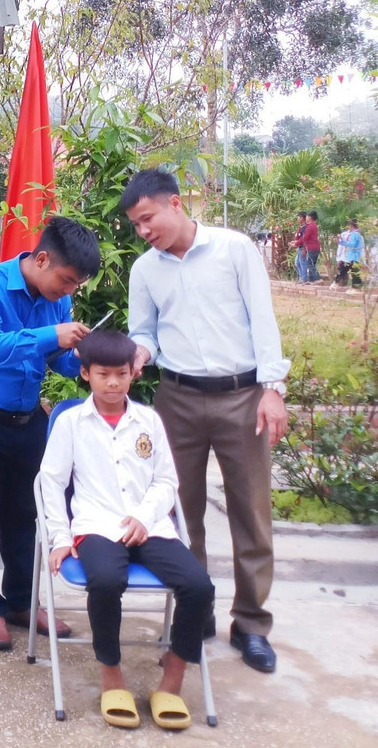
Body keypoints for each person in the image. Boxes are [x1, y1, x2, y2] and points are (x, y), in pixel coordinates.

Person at [123, 168, 289, 674]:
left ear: (175, 203)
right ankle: (197, 610)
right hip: (178, 398)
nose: (143, 230)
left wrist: (272, 390)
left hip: (243, 397)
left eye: (147, 218)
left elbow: (263, 319)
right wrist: (137, 355)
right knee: (178, 511)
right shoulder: (145, 270)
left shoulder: (235, 250)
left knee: (251, 511)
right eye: (135, 224)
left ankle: (252, 625)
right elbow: (144, 331)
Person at [40, 329, 215, 731]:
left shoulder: (148, 420)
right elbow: (51, 482)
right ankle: (111, 675)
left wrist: (143, 515)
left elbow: (166, 482)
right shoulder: (71, 423)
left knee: (199, 587)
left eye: (121, 374)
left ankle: (172, 678)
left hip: (150, 525)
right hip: (97, 526)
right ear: (85, 374)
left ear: (133, 374)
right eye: (103, 374)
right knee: (104, 581)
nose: (113, 383)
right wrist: (61, 539)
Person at [0, 215, 102, 651]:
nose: (68, 291)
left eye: (76, 285)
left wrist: (88, 361)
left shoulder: (58, 302)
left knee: (27, 514)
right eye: (66, 280)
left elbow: (58, 359)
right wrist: (50, 334)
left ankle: (20, 601)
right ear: (41, 258)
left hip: (27, 419)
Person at [332, 218, 365, 293]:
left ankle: (356, 288)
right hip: (349, 257)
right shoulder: (354, 234)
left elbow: (352, 244)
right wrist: (340, 241)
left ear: (351, 225)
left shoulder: (355, 234)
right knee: (344, 270)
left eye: (349, 225)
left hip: (353, 257)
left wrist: (342, 242)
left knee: (353, 272)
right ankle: (337, 283)